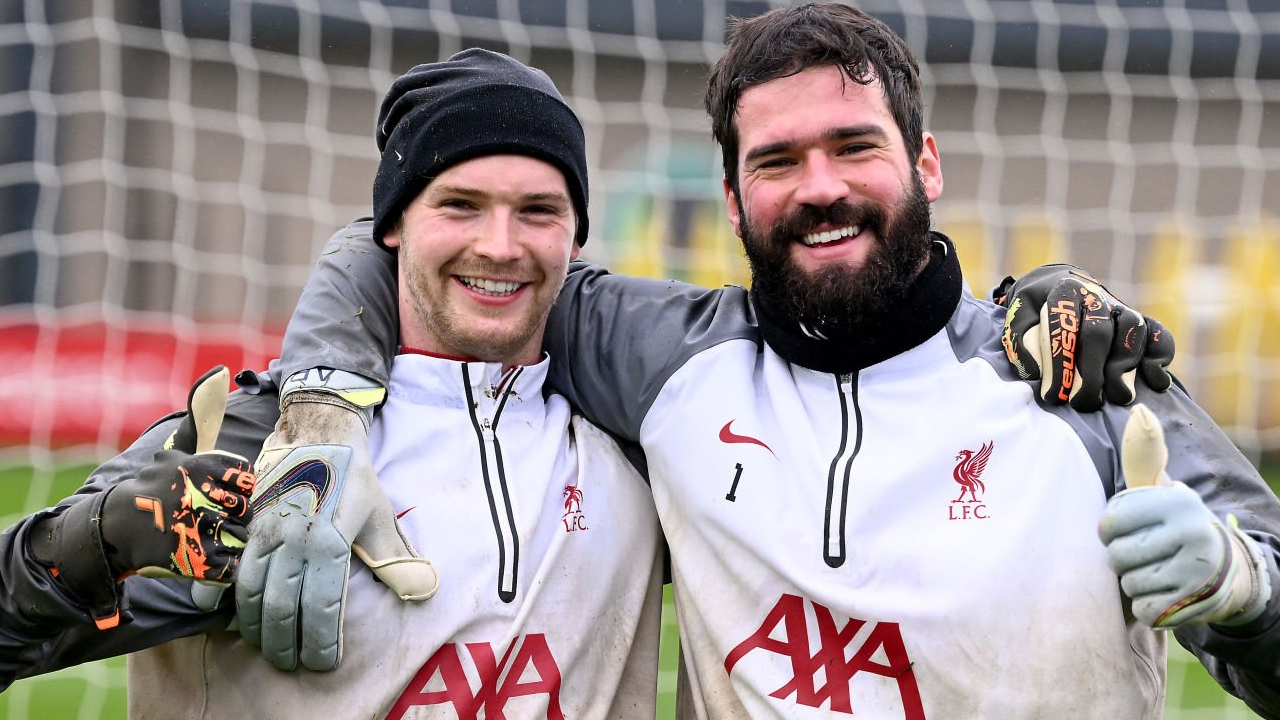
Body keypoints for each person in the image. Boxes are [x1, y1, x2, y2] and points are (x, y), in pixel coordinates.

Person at [265, 4, 1280, 719]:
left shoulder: (1077, 374)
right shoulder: (656, 354)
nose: (819, 187)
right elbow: (414, 244)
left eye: (853, 147)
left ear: (924, 164)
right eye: (777, 161)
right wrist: (319, 414)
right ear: (731, 195)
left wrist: (1241, 590)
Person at [0, 49, 667, 719]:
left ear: (576, 235)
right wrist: (105, 536)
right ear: (392, 226)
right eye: (460, 205)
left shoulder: (643, 446)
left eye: (537, 211)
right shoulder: (262, 443)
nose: (499, 244)